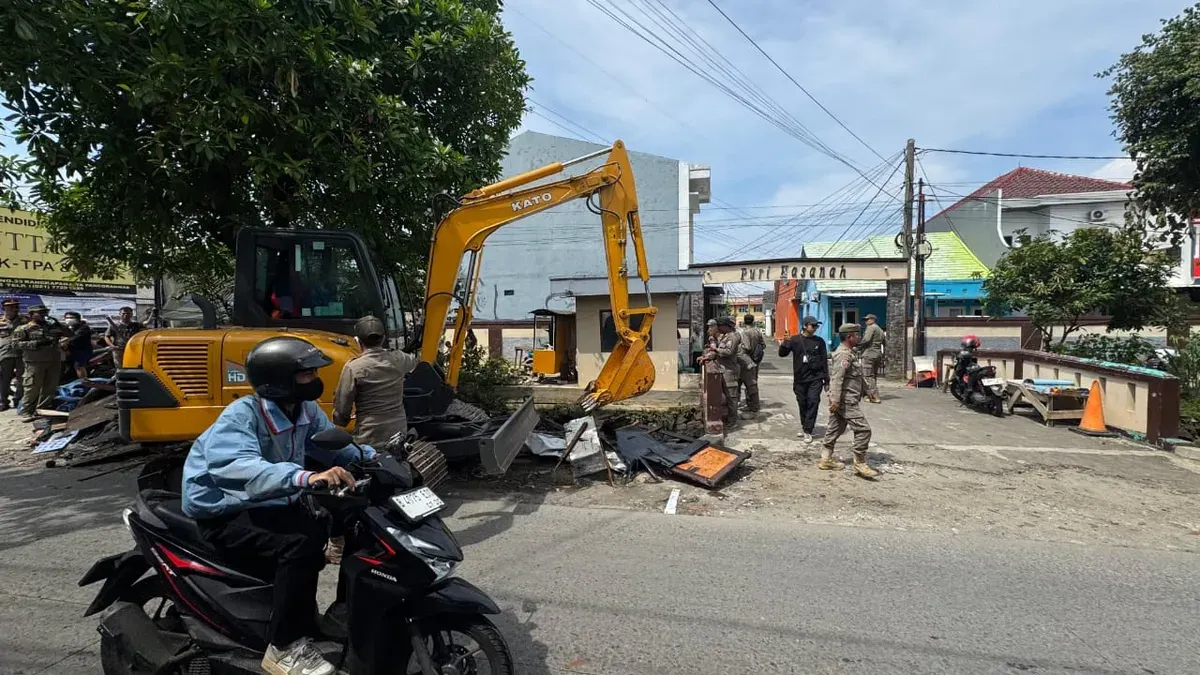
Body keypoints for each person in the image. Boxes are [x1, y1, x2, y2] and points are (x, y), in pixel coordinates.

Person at [182, 336, 371, 675]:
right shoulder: (241, 415)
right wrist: (305, 477)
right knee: (299, 544)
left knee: (342, 527)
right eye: (306, 374)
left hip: (270, 499)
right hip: (225, 508)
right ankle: (281, 647)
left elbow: (333, 446)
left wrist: (376, 459)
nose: (315, 380)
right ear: (279, 379)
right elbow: (239, 466)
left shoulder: (305, 409)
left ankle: (318, 618)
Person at [823, 323, 878, 478]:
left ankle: (825, 459)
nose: (859, 337)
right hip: (845, 400)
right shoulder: (843, 355)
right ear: (849, 337)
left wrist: (869, 391)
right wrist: (834, 400)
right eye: (857, 335)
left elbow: (858, 376)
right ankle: (860, 462)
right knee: (863, 430)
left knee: (835, 429)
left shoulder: (850, 353)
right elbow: (837, 378)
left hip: (845, 399)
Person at [14, 305, 71, 421]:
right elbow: (15, 345)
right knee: (32, 388)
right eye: (39, 313)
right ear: (31, 315)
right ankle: (26, 411)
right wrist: (37, 344)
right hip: (35, 362)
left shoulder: (52, 326)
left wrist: (59, 324)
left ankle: (42, 410)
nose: (43, 314)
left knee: (50, 387)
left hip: (53, 360)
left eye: (44, 312)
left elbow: (70, 334)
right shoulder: (24, 329)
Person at [778, 315, 829, 443]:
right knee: (803, 403)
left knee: (813, 401)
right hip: (800, 378)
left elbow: (824, 361)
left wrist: (826, 380)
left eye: (817, 325)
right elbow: (782, 354)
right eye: (813, 325)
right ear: (805, 325)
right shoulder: (795, 340)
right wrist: (784, 343)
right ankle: (804, 425)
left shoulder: (820, 341)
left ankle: (808, 430)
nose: (815, 327)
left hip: (816, 378)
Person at [702, 316, 741, 429]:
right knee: (725, 396)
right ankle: (728, 418)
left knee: (731, 397)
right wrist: (708, 356)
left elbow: (728, 352)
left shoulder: (732, 337)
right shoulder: (724, 337)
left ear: (724, 326)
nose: (717, 328)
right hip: (723, 369)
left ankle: (733, 421)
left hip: (729, 371)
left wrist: (715, 350)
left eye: (719, 326)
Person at [0, 298, 27, 411]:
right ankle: (3, 401)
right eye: (10, 306)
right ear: (4, 308)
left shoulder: (25, 321)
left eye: (16, 306)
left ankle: (18, 400)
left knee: (22, 379)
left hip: (22, 353)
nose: (14, 308)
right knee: (3, 379)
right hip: (5, 353)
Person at [736, 314, 762, 416]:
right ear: (753, 321)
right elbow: (762, 345)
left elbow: (747, 347)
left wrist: (739, 348)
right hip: (755, 360)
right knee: (753, 383)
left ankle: (752, 405)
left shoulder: (745, 333)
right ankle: (754, 405)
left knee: (746, 383)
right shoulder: (757, 331)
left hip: (746, 361)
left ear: (744, 321)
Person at [859, 314, 885, 403]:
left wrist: (857, 346)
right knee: (873, 376)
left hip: (869, 354)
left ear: (873, 319)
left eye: (867, 319)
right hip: (877, 354)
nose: (866, 322)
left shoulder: (871, 328)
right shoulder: (881, 330)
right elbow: (885, 343)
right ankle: (867, 395)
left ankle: (874, 396)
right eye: (865, 320)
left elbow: (866, 339)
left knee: (868, 376)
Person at [63, 311, 94, 381]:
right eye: (66, 318)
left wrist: (65, 340)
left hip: (82, 350)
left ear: (78, 319)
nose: (68, 319)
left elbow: (75, 337)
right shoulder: (67, 328)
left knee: (78, 366)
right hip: (71, 350)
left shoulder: (83, 327)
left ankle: (84, 382)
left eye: (71, 318)